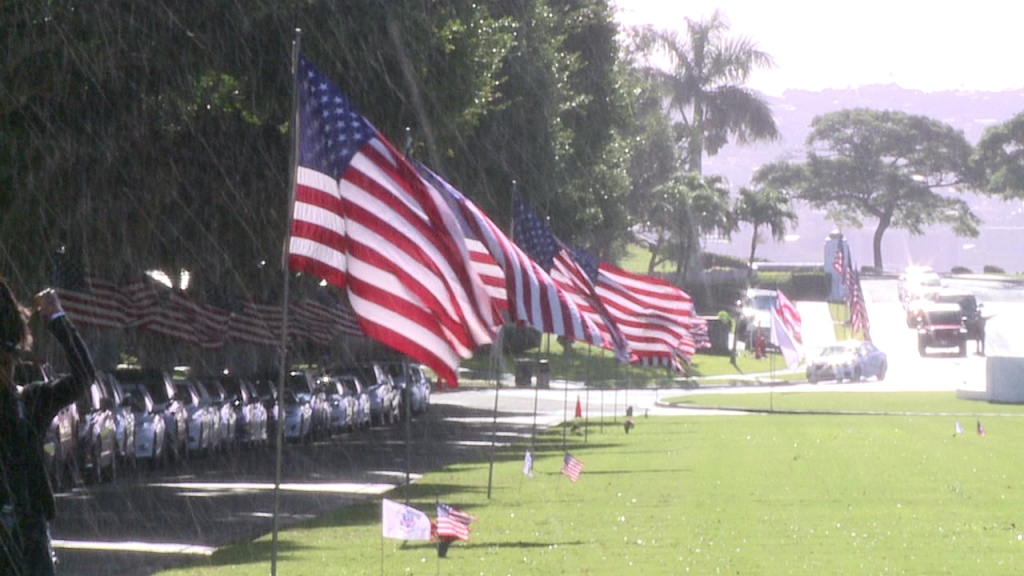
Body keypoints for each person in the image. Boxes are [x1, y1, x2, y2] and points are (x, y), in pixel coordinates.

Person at [0, 280, 96, 575]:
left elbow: (83, 376)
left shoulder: (28, 402)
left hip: (27, 538)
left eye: (7, 362)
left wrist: (58, 319)